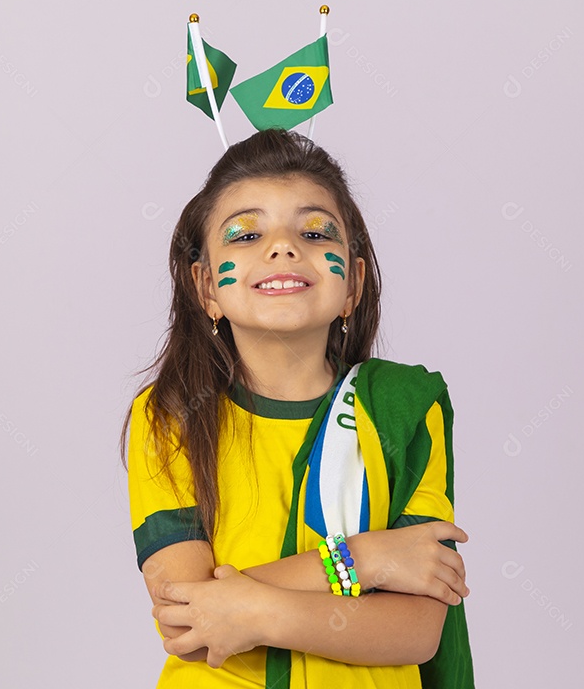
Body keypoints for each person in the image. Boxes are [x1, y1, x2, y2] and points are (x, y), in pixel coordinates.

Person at [120, 128, 475, 688]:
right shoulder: (170, 416)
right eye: (244, 234)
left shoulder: (404, 409)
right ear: (206, 286)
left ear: (353, 283)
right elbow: (190, 622)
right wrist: (364, 559)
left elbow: (416, 631)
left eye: (314, 230)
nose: (283, 246)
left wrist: (250, 611)